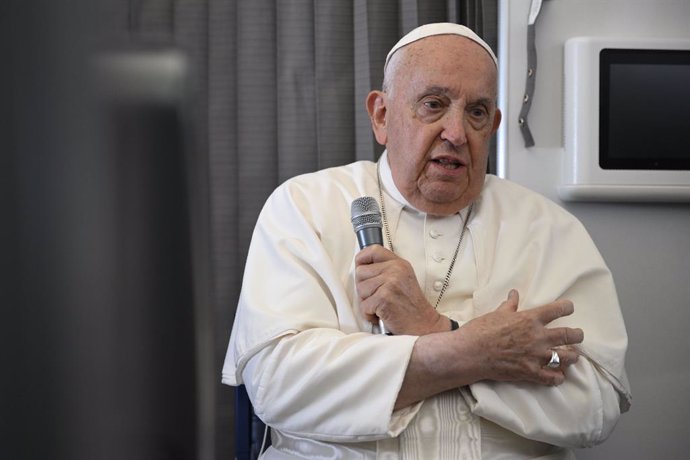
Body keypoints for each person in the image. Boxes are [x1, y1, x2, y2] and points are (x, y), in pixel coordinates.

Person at [223, 23, 631, 459]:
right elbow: (279, 384)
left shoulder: (550, 229)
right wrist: (473, 351)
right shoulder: (304, 207)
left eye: (476, 112)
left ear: (492, 126)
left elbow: (598, 403)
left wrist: (431, 329)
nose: (456, 133)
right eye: (433, 105)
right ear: (382, 116)